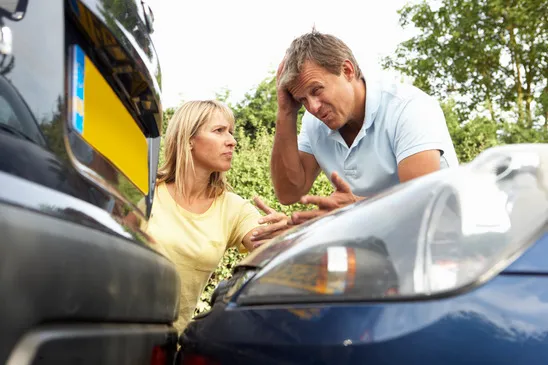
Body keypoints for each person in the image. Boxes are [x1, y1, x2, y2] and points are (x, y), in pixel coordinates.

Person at [271, 29, 459, 223]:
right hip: (375, 242)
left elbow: (420, 206)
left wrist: (351, 209)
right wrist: (286, 112)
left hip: (444, 239)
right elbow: (289, 194)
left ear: (347, 70)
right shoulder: (313, 123)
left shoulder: (409, 107)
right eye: (302, 100)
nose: (313, 107)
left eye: (316, 90)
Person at [140, 100, 291, 332]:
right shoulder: (145, 190)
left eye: (230, 132)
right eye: (219, 131)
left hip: (170, 346)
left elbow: (268, 247)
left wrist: (286, 235)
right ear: (189, 139)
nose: (232, 141)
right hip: (115, 332)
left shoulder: (233, 208)